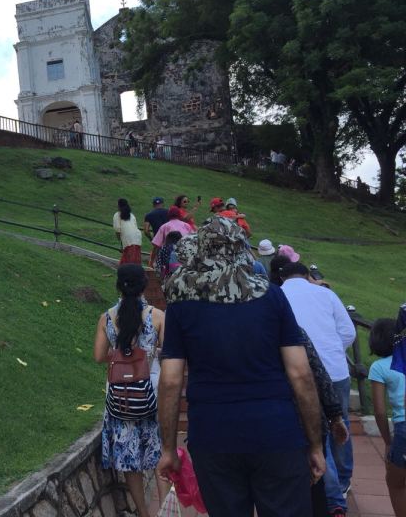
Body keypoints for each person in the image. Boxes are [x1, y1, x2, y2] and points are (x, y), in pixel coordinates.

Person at [158, 217, 325, 517]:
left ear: (200, 250)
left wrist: (169, 448)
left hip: (213, 435)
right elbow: (301, 374)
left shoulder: (181, 304)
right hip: (276, 431)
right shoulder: (272, 296)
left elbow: (171, 381)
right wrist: (315, 444)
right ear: (242, 249)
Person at [281, 262, 356, 516]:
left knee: (319, 430)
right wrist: (333, 349)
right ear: (307, 275)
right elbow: (348, 332)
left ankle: (331, 493)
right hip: (336, 369)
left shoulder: (278, 296)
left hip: (304, 370)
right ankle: (342, 483)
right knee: (341, 423)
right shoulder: (326, 294)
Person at [93, 263, 166, 517]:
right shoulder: (157, 316)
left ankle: (143, 513)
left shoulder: (107, 318)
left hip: (120, 397)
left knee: (130, 459)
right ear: (144, 285)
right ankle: (165, 511)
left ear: (118, 286)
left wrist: (120, 355)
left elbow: (99, 356)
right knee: (158, 455)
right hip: (151, 394)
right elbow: (169, 355)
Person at [368, 318, 406, 517]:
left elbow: (380, 411)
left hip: (403, 428)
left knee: (396, 483)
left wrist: (388, 442)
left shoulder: (379, 367)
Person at [113, 198, 143, 265]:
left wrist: (119, 239)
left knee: (128, 261)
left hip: (128, 239)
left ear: (119, 206)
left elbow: (117, 230)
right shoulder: (131, 215)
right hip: (137, 238)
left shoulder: (117, 215)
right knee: (135, 259)